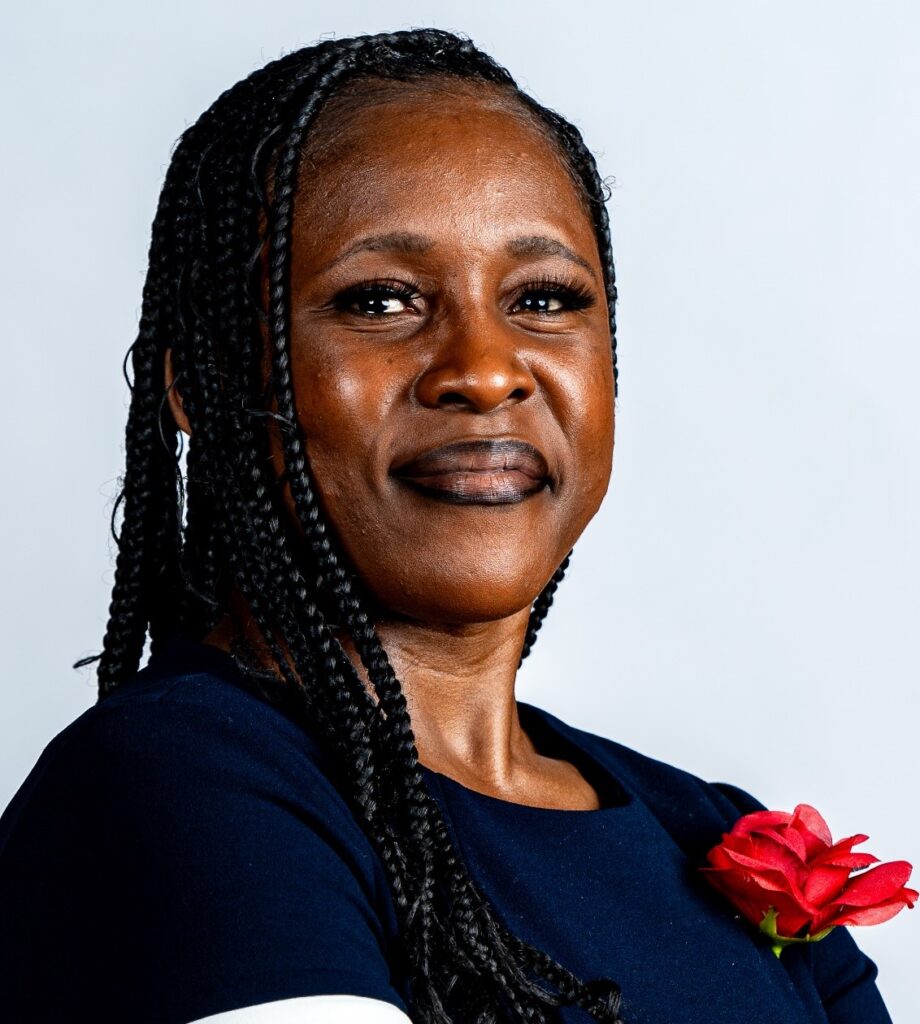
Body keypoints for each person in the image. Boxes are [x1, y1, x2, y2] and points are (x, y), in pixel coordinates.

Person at [0, 27, 895, 1024]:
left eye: (542, 299)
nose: (484, 368)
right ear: (203, 382)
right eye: (380, 301)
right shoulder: (178, 788)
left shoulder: (708, 828)